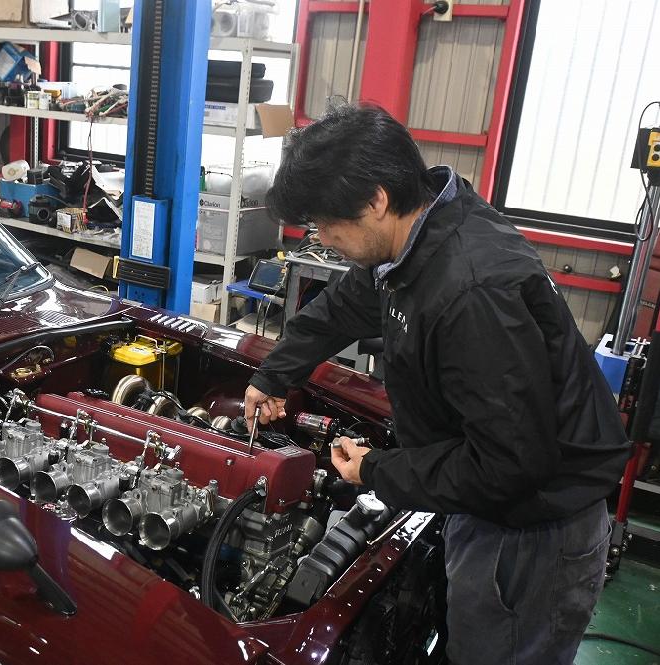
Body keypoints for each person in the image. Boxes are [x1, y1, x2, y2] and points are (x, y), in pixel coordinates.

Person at [243, 103, 630, 665]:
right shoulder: (419, 235)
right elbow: (344, 307)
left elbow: (508, 465)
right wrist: (274, 375)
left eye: (325, 224)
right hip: (495, 506)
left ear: (376, 200)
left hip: (531, 533)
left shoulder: (470, 293)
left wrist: (376, 470)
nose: (322, 240)